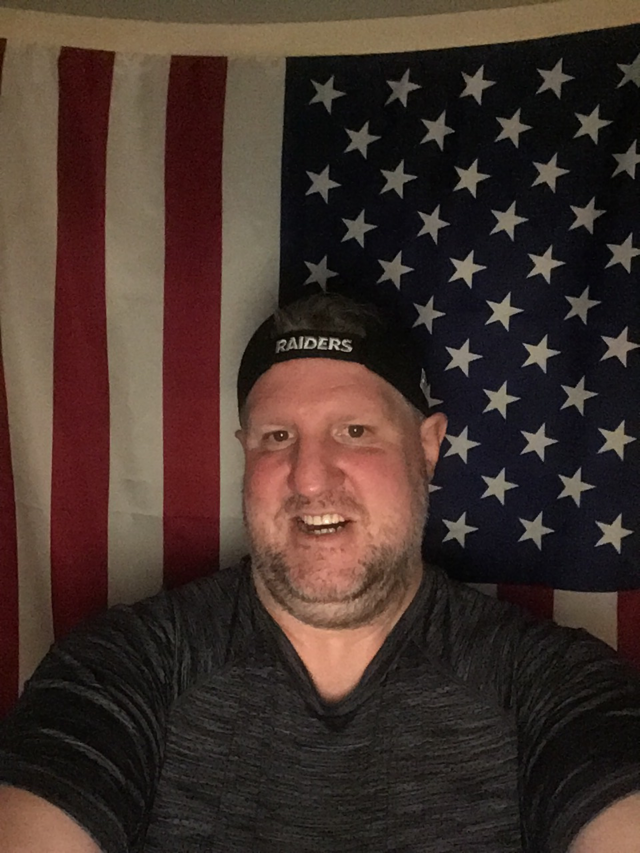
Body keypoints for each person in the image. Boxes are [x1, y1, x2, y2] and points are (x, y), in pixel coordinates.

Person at [0, 292, 639, 853]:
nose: (308, 478)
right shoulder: (123, 666)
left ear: (427, 447)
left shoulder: (553, 684)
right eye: (277, 437)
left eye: (354, 431)